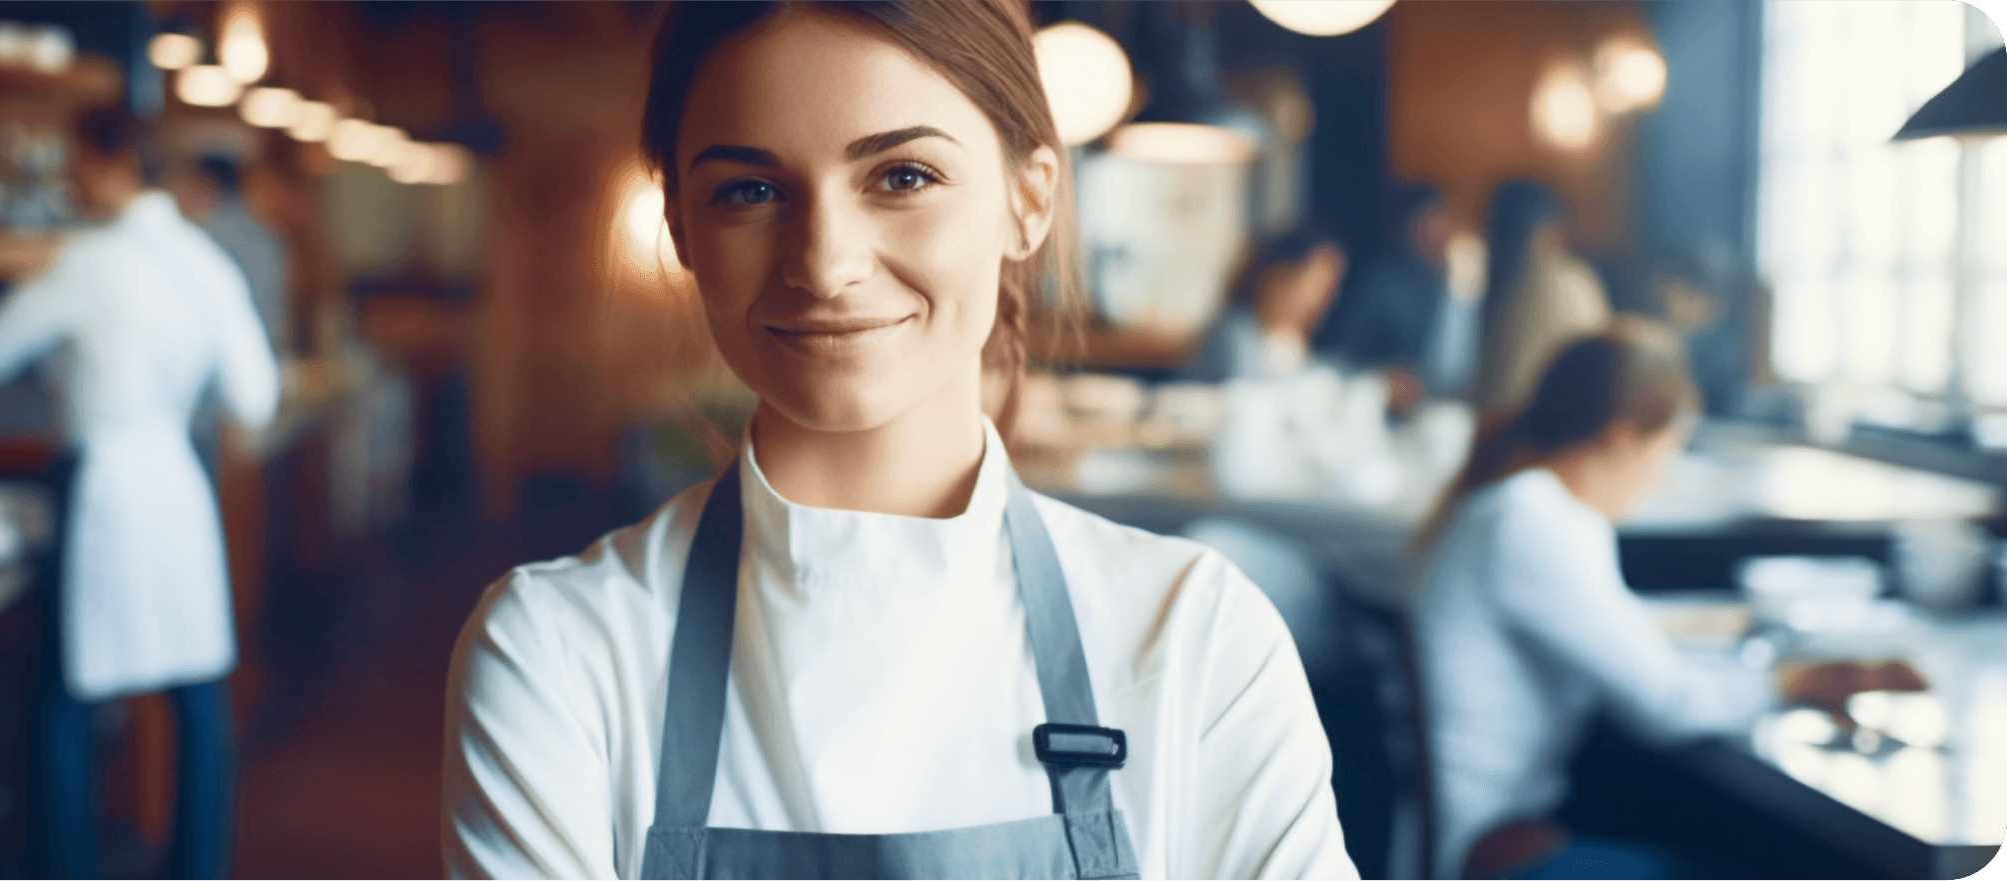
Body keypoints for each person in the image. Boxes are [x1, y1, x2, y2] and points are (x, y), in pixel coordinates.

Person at [440, 3, 1358, 879]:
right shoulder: (554, 660)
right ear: (681, 224)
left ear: (1028, 200)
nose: (825, 263)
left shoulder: (1199, 641)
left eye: (902, 176)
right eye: (750, 190)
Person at [1408, 319, 1884, 880]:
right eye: (1668, 450)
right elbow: (1668, 703)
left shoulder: (1512, 504)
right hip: (1490, 851)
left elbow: (1616, 633)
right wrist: (1794, 680)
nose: (1661, 476)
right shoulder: (1534, 521)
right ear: (1623, 436)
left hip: (1488, 826)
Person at [0, 105, 279, 881]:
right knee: (197, 689)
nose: (70, 179)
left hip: (101, 481)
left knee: (63, 695)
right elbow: (256, 397)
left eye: (78, 162)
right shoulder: (207, 262)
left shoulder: (87, 260)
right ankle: (200, 867)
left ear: (111, 164)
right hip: (176, 476)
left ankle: (64, 866)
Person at [1314, 182, 1482, 404]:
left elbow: (1451, 376)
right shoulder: (1382, 282)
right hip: (1378, 400)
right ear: (1408, 228)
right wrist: (1382, 379)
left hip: (1436, 404)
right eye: (1430, 222)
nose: (1441, 231)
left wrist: (1459, 288)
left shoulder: (1462, 282)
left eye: (1444, 220)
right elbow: (1344, 353)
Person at [1466, 179, 1611, 418]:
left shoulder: (1480, 284)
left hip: (1488, 436)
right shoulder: (1572, 282)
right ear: (1552, 229)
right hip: (1555, 437)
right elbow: (1604, 377)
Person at [1180, 225, 1347, 385]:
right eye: (1312, 285)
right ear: (1278, 275)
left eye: (1327, 289)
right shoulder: (1233, 335)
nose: (1317, 300)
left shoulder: (1305, 351)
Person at [176, 153, 291, 360]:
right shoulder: (269, 236)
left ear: (205, 186)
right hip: (269, 354)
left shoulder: (198, 239)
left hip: (218, 361)